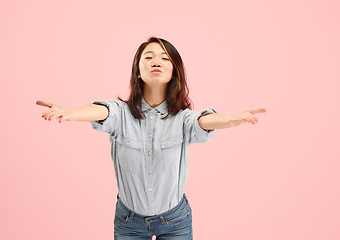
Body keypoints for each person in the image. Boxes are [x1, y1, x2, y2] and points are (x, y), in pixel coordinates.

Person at [36, 36, 266, 240]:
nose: (157, 61)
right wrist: (71, 114)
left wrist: (232, 121)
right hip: (129, 222)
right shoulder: (121, 113)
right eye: (149, 56)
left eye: (165, 58)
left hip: (175, 220)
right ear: (138, 70)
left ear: (174, 71)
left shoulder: (182, 118)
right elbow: (102, 110)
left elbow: (201, 121)